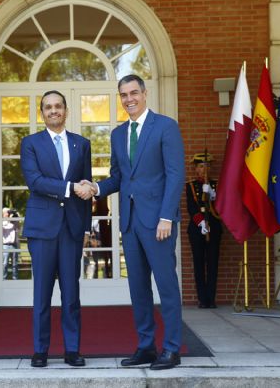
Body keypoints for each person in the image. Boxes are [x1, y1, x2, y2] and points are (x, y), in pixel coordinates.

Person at [83, 74, 185, 370]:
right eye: (124, 95)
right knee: (138, 288)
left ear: (145, 93)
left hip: (158, 222)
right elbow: (119, 176)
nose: (129, 99)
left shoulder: (165, 126)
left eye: (133, 93)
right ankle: (146, 347)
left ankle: (172, 348)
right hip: (129, 222)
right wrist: (96, 188)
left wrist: (167, 216)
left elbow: (175, 174)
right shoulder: (118, 134)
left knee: (166, 285)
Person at [20, 90, 93, 368]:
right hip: (42, 228)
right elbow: (35, 181)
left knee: (71, 294)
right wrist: (70, 188)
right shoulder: (31, 144)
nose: (53, 111)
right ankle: (40, 350)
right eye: (48, 107)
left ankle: (72, 350)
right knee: (42, 294)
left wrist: (86, 229)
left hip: (72, 229)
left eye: (58, 106)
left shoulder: (81, 144)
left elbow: (86, 188)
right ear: (42, 113)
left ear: (65, 110)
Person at [186, 152, 222, 308]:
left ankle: (211, 298)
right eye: (201, 166)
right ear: (196, 169)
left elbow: (221, 207)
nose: (204, 169)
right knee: (199, 263)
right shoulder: (191, 186)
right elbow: (192, 208)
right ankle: (202, 299)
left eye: (207, 166)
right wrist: (201, 223)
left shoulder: (216, 185)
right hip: (197, 229)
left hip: (213, 228)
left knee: (212, 263)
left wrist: (212, 194)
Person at [2, 207, 19, 280]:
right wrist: (9, 219)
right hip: (6, 245)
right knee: (5, 263)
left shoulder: (13, 221)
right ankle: (4, 278)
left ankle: (15, 279)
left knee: (15, 264)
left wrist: (16, 217)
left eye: (9, 212)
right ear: (3, 214)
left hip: (14, 245)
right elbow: (4, 228)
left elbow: (18, 228)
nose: (8, 213)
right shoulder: (2, 221)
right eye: (7, 212)